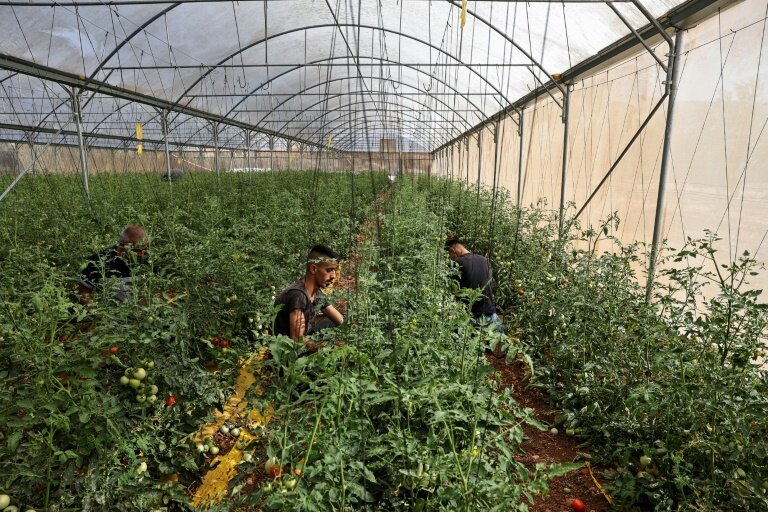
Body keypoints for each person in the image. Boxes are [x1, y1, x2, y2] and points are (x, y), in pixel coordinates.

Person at [274, 245, 344, 351]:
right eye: (329, 270)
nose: (333, 276)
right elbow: (296, 342)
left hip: (307, 336)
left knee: (333, 322)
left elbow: (339, 320)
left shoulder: (316, 292)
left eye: (334, 270)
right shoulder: (298, 296)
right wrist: (329, 346)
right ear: (313, 269)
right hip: (288, 353)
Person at [444, 238, 504, 332]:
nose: (450, 259)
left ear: (453, 251)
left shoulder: (456, 263)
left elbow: (450, 291)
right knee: (499, 341)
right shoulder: (484, 260)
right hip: (491, 315)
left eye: (449, 256)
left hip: (471, 318)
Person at [78, 224, 148, 304]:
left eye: (144, 249)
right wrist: (95, 311)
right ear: (121, 246)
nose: (142, 254)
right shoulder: (99, 260)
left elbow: (161, 291)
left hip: (142, 315)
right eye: (136, 250)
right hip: (108, 315)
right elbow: (84, 291)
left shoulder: (150, 260)